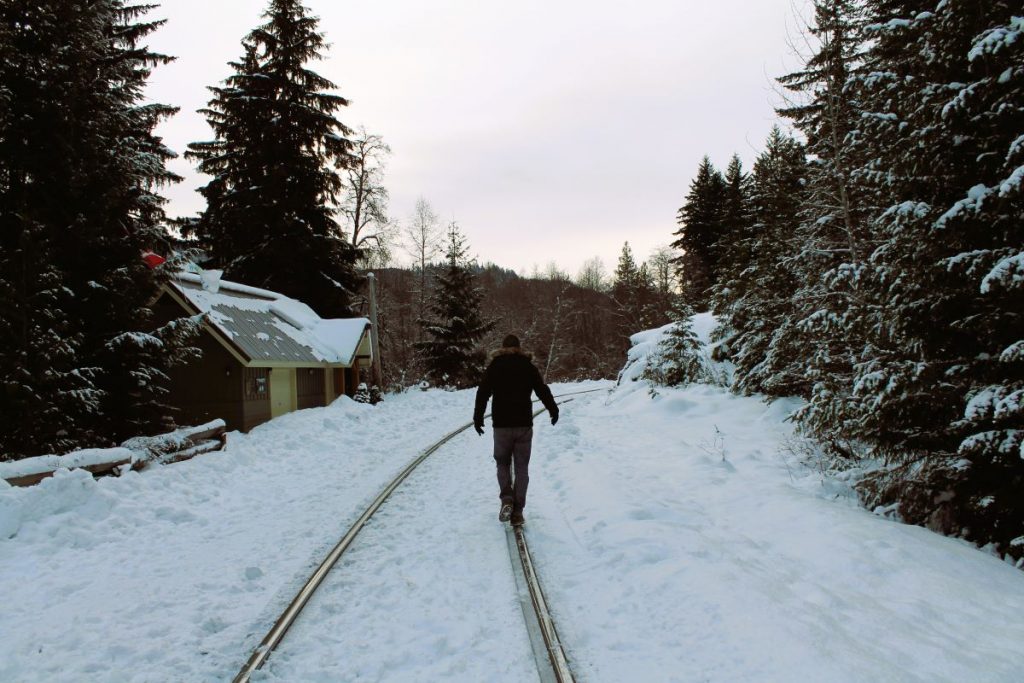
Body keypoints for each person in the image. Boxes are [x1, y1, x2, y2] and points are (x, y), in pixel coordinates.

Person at [474, 334, 559, 526]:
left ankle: (506, 499)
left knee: (502, 463)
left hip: (502, 425)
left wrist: (478, 417)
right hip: (523, 425)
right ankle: (518, 511)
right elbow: (541, 389)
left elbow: (483, 392)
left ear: (503, 348)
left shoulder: (495, 366)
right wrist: (553, 409)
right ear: (519, 347)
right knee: (522, 468)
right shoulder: (527, 366)